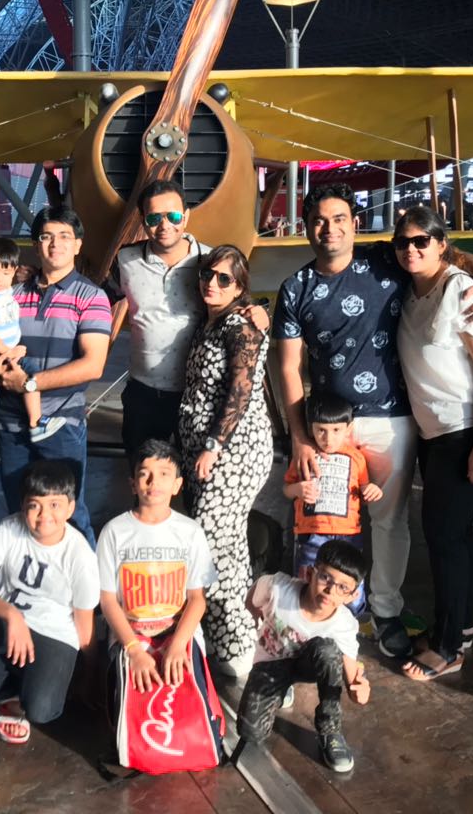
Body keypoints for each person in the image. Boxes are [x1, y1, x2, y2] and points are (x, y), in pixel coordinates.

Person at [272, 182, 473, 660]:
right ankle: (322, 609)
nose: (329, 229)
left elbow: (452, 257)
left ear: (355, 223)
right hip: (329, 427)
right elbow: (288, 367)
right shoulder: (296, 288)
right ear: (305, 226)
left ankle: (385, 611)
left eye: (339, 219)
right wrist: (300, 437)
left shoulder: (384, 259)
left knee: (389, 521)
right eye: (318, 220)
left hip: (392, 419)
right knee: (320, 519)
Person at [393, 206, 473, 681]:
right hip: (435, 431)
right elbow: (470, 256)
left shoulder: (460, 291)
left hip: (466, 430)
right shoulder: (412, 289)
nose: (411, 249)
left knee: (444, 537)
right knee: (455, 535)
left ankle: (447, 648)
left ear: (440, 245)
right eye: (403, 242)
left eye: (422, 240)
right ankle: (460, 627)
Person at [111, 181, 269, 459]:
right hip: (142, 394)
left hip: (196, 396)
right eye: (154, 218)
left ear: (185, 216)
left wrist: (259, 310)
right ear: (143, 221)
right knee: (141, 471)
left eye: (173, 216)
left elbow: (237, 296)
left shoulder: (209, 263)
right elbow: (95, 295)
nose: (164, 225)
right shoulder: (125, 260)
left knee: (193, 472)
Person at [0, 206, 111, 545]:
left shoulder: (92, 297)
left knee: (70, 513)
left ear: (78, 245)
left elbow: (93, 365)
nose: (55, 244)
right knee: (18, 514)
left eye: (64, 236)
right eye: (46, 237)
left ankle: (83, 580)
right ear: (36, 245)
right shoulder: (12, 296)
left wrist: (29, 383)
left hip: (61, 425)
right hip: (10, 425)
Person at [178, 244, 272, 677]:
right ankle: (234, 643)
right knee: (229, 547)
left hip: (233, 453)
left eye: (224, 279)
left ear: (239, 287)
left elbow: (240, 389)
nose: (212, 284)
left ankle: (236, 646)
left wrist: (214, 445)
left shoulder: (240, 326)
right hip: (205, 453)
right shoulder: (209, 323)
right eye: (207, 275)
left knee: (211, 544)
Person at [97, 439, 221, 766]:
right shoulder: (114, 532)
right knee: (138, 697)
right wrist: (134, 650)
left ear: (178, 484)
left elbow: (197, 599)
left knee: (183, 695)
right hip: (131, 635)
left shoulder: (190, 531)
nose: (154, 482)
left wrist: (178, 644)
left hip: (177, 634)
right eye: (145, 474)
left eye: (164, 474)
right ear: (132, 483)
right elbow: (108, 601)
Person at [0, 460, 98, 745]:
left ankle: (34, 677)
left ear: (70, 508)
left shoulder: (80, 555)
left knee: (42, 710)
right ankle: (6, 694)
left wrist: (88, 676)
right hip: (6, 622)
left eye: (54, 505)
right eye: (34, 505)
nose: (44, 515)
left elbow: (85, 624)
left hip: (52, 633)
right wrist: (11, 614)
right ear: (23, 505)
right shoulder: (9, 529)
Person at [236, 539, 371, 774]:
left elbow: (351, 676)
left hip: (310, 664)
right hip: (271, 664)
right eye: (325, 578)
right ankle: (282, 688)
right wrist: (254, 620)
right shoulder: (277, 588)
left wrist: (360, 689)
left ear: (353, 595)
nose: (331, 591)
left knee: (327, 650)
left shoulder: (344, 624)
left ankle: (330, 729)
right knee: (250, 733)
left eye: (343, 587)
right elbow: (253, 598)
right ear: (309, 573)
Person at [283, 394, 382, 614]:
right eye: (321, 430)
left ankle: (349, 622)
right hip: (312, 535)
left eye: (336, 430)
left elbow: (363, 489)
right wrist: (298, 489)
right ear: (311, 428)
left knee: (349, 586)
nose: (328, 439)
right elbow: (286, 490)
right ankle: (306, 622)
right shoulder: (304, 455)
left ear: (348, 429)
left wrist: (372, 490)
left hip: (348, 536)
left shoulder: (356, 458)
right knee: (307, 584)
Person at [0, 236, 63, 442]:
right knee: (31, 374)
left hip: (4, 350)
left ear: (14, 270)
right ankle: (36, 423)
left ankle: (35, 421)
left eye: (6, 273)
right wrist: (9, 352)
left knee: (28, 375)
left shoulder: (5, 291)